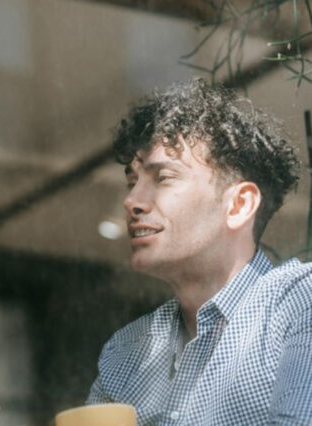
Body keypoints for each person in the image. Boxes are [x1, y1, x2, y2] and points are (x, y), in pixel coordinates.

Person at [86, 79, 312, 424]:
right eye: (132, 182)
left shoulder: (300, 306)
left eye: (163, 178)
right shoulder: (125, 351)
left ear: (239, 205)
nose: (131, 201)